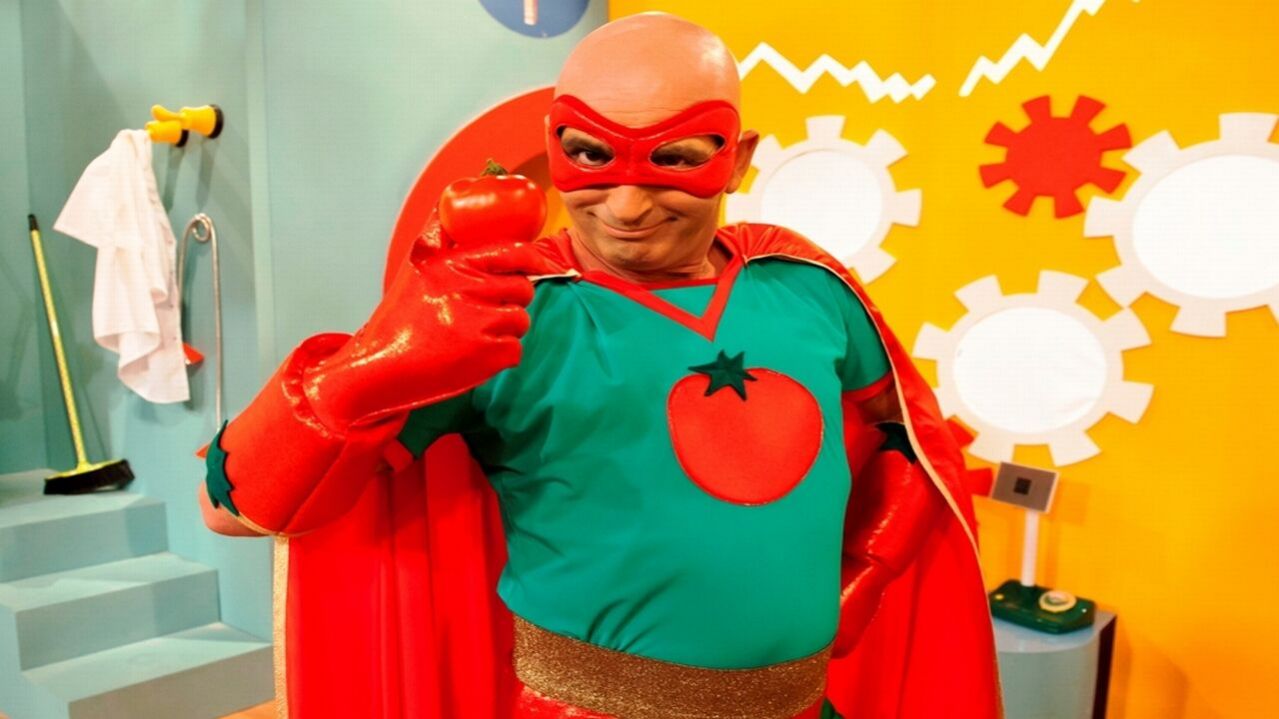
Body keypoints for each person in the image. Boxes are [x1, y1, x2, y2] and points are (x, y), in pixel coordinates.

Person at [199, 12, 1000, 719]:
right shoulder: (501, 308)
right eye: (589, 153)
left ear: (738, 158)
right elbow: (230, 508)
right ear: (555, 142)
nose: (625, 205)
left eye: (673, 159)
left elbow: (913, 440)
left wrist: (863, 576)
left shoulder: (806, 286)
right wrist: (371, 364)